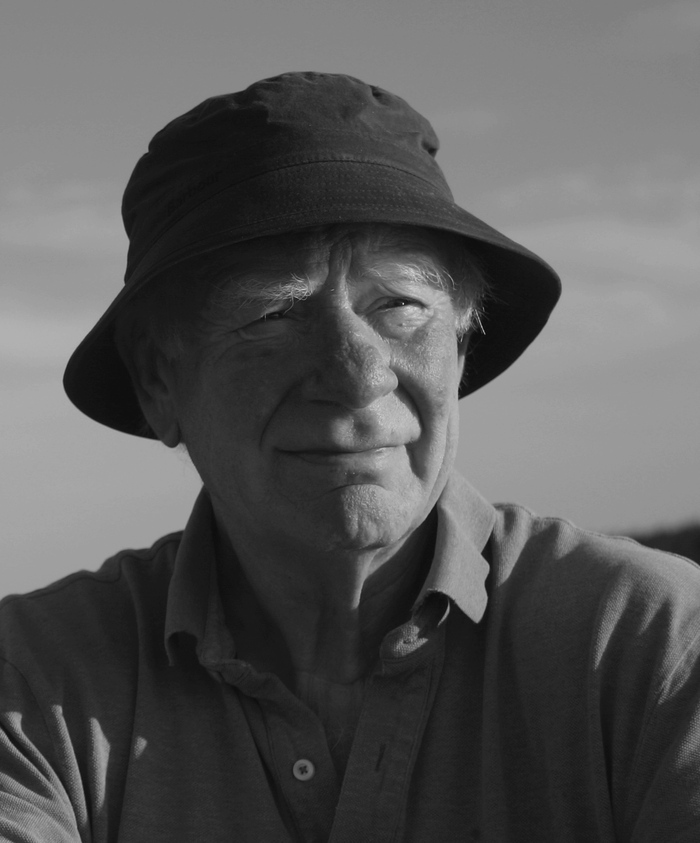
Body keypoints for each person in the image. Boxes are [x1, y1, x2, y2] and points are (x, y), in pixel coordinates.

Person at [1, 72, 699, 842]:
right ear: (159, 383)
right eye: (273, 313)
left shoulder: (653, 641)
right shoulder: (32, 679)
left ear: (461, 344)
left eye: (399, 304)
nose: (359, 373)